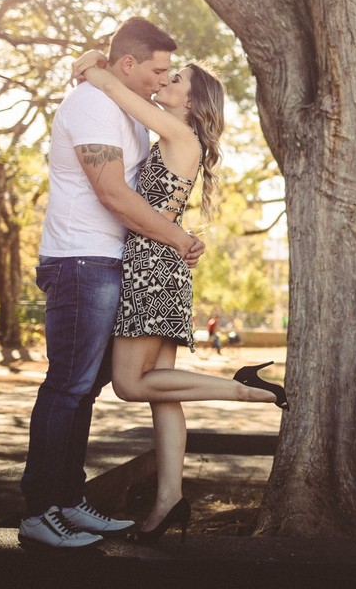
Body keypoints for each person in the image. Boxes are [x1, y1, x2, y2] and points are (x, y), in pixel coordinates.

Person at [72, 48, 288, 546]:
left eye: (178, 79)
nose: (167, 79)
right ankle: (168, 500)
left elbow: (115, 90)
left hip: (151, 269)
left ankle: (242, 389)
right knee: (162, 398)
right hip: (161, 264)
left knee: (130, 384)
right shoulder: (176, 138)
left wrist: (91, 68)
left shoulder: (177, 132)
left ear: (192, 103)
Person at [18, 17, 204, 549]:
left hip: (111, 261)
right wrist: (176, 238)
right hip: (80, 260)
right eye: (158, 70)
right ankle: (40, 510)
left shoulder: (123, 105)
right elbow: (113, 195)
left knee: (85, 390)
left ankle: (68, 500)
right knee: (68, 385)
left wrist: (174, 234)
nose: (161, 80)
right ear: (128, 64)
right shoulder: (92, 104)